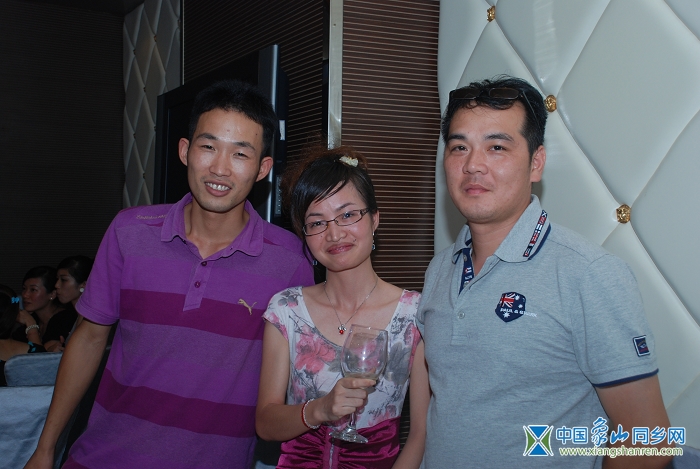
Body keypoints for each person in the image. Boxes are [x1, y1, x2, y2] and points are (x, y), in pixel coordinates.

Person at [25, 80, 314, 469]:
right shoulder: (129, 232)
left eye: (240, 154)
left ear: (263, 168)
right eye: (208, 147)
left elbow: (303, 375)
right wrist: (45, 449)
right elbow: (89, 339)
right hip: (102, 458)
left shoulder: (290, 260)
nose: (220, 168)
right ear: (184, 151)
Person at [417, 76, 672, 468]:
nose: (472, 165)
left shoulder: (588, 274)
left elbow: (649, 440)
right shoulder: (440, 269)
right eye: (459, 147)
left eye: (497, 147)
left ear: (536, 163)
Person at [256, 146, 429, 468]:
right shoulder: (286, 310)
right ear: (304, 234)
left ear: (374, 218)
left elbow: (421, 433)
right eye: (317, 223)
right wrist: (319, 410)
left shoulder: (414, 315)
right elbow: (265, 424)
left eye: (348, 215)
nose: (334, 234)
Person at [13, 266, 65, 353]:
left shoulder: (64, 319)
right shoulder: (34, 318)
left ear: (52, 294)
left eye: (33, 290)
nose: (25, 295)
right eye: (24, 288)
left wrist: (30, 324)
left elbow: (38, 358)